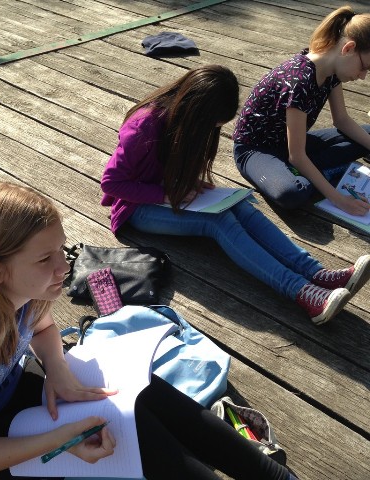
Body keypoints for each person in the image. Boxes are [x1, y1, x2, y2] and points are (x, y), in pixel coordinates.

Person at [0, 182, 299, 480]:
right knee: (126, 438)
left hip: (5, 396)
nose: (64, 267)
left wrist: (57, 369)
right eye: (45, 258)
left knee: (139, 396)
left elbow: (42, 326)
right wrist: (62, 440)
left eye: (61, 250)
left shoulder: (22, 290)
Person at [100, 65, 370, 325]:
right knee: (218, 221)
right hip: (137, 209)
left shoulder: (180, 117)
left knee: (240, 206)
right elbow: (111, 183)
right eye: (211, 126)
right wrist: (166, 194)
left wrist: (188, 182)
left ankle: (316, 272)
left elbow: (163, 164)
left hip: (170, 191)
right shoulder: (142, 127)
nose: (211, 133)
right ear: (197, 112)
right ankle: (302, 291)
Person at [233, 6, 370, 215]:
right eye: (364, 67)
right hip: (256, 150)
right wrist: (339, 199)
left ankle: (311, 172)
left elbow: (342, 120)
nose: (362, 76)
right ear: (348, 48)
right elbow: (296, 156)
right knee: (293, 192)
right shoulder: (299, 82)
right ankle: (315, 173)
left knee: (367, 134)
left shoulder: (332, 72)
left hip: (292, 144)